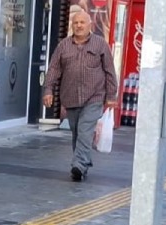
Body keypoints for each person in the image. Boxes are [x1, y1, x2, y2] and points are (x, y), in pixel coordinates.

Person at [41, 9, 118, 182]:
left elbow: (109, 71)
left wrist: (111, 96)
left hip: (95, 96)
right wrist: (48, 90)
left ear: (90, 24)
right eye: (76, 23)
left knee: (84, 130)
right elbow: (53, 69)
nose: (79, 26)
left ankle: (78, 165)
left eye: (82, 22)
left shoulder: (99, 44)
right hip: (71, 97)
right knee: (77, 132)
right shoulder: (64, 46)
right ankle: (84, 163)